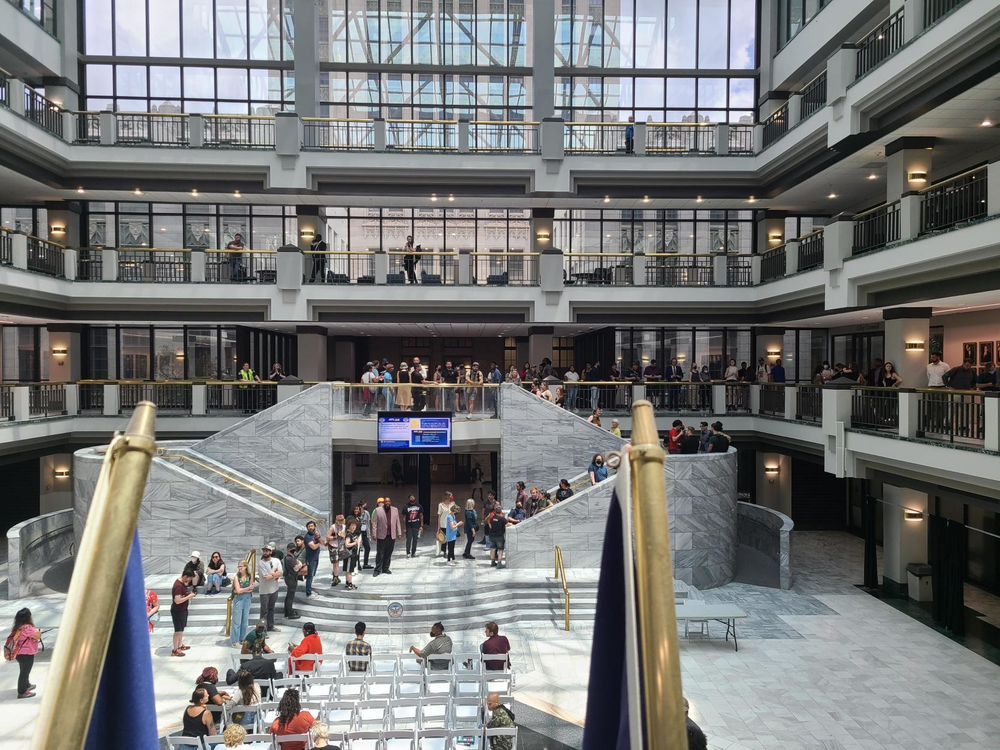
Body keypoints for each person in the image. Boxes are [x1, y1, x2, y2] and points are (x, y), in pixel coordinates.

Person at [7, 609, 40, 699]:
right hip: (27, 654)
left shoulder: (18, 627)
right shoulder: (28, 628)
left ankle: (26, 685)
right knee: (24, 673)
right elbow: (37, 636)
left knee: (24, 670)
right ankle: (22, 692)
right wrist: (38, 633)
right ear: (28, 617)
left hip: (19, 654)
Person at [372, 494, 403, 576]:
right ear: (383, 502)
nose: (387, 503)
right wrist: (374, 534)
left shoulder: (395, 510)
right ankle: (377, 569)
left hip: (391, 535)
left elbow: (397, 522)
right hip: (381, 535)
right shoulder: (378, 510)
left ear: (390, 502)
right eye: (386, 501)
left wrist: (399, 533)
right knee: (380, 553)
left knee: (388, 552)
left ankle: (385, 568)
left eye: (388, 501)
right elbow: (374, 523)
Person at [171, 568, 196, 657]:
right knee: (178, 630)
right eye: (189, 578)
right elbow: (177, 600)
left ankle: (180, 645)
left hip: (183, 609)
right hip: (178, 610)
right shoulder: (178, 586)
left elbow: (182, 594)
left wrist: (188, 594)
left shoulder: (181, 584)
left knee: (181, 629)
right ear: (185, 576)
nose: (189, 580)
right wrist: (189, 596)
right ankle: (175, 649)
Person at [257, 543, 282, 631]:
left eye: (267, 551)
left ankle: (270, 626)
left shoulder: (276, 560)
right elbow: (265, 577)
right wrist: (275, 575)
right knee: (264, 611)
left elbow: (281, 573)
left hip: (274, 589)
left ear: (271, 552)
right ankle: (262, 630)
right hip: (264, 591)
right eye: (264, 551)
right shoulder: (261, 563)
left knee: (271, 609)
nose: (265, 552)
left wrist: (271, 575)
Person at [230, 559, 254, 647]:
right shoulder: (237, 577)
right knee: (237, 621)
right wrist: (247, 589)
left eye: (241, 566)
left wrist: (244, 589)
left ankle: (242, 638)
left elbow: (252, 588)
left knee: (244, 621)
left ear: (246, 567)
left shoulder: (249, 575)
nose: (239, 568)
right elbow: (238, 590)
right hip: (239, 600)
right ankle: (234, 640)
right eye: (239, 566)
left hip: (247, 599)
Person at [282, 543, 302, 620]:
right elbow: (296, 568)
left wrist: (298, 563)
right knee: (290, 596)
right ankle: (290, 613)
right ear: (288, 549)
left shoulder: (291, 557)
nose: (293, 550)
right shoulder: (289, 558)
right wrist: (299, 564)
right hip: (291, 578)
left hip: (291, 577)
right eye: (291, 548)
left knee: (289, 595)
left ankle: (287, 611)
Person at [341, 515, 361, 590]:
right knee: (349, 570)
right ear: (349, 526)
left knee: (348, 569)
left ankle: (347, 583)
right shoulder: (349, 535)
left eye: (355, 525)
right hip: (349, 555)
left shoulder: (353, 534)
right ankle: (349, 584)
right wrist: (355, 543)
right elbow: (347, 544)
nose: (354, 527)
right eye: (352, 525)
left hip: (352, 555)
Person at [326, 514, 345, 587]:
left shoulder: (344, 526)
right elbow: (327, 537)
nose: (340, 521)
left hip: (340, 546)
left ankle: (335, 576)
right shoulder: (333, 527)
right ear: (336, 520)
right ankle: (335, 577)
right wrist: (336, 537)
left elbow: (345, 535)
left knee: (337, 562)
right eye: (339, 520)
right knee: (335, 562)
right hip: (333, 546)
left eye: (342, 520)